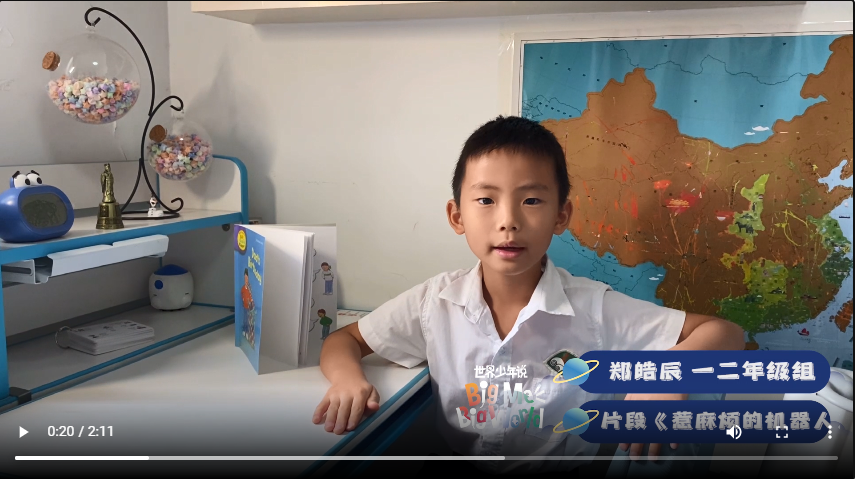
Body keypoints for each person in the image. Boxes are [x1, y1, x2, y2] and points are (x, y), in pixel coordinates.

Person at [311, 116, 745, 474]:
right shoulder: (434, 302)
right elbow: (344, 340)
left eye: (532, 200)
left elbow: (724, 332)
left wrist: (667, 379)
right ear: (457, 216)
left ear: (561, 216)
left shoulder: (592, 308)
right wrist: (348, 379)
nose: (508, 221)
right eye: (486, 200)